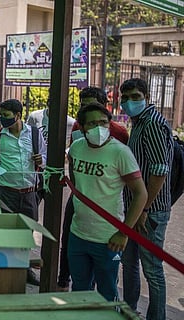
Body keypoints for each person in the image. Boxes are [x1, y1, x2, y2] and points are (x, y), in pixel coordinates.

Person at [68, 102, 147, 302]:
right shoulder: (76, 148)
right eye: (92, 123)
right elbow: (76, 182)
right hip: (78, 233)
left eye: (103, 122)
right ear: (82, 127)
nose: (99, 128)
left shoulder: (120, 152)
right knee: (79, 290)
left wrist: (124, 232)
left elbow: (140, 194)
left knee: (107, 294)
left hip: (108, 239)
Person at [57, 86, 129, 291]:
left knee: (104, 253)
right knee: (69, 237)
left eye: (90, 105)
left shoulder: (119, 133)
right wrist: (76, 187)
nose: (87, 112)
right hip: (80, 196)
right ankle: (64, 280)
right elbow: (72, 159)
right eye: (82, 105)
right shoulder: (78, 129)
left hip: (106, 200)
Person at [120, 78, 174, 320]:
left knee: (152, 269)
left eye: (135, 97)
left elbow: (160, 171)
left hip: (149, 210)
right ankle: (129, 308)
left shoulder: (151, 123)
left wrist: (144, 207)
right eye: (125, 97)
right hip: (135, 207)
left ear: (146, 97)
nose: (129, 102)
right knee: (129, 261)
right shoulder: (139, 122)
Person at [0, 99, 46, 220]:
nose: (2, 118)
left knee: (28, 232)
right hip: (6, 194)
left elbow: (45, 156)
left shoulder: (34, 133)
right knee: (6, 231)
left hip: (29, 193)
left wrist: (41, 159)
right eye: (1, 115)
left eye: (6, 115)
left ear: (18, 115)